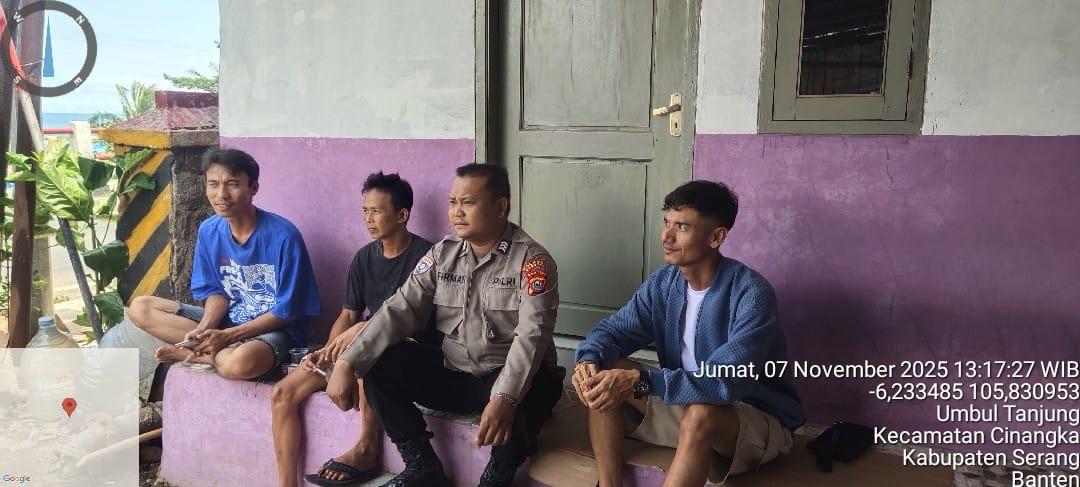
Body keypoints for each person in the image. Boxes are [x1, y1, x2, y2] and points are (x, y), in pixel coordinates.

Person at [326, 163, 564, 487]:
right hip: (456, 372)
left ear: (500, 208)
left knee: (532, 391)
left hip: (507, 374)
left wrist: (505, 397)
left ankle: (496, 477)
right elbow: (399, 308)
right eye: (453, 202)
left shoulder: (532, 261)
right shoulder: (443, 254)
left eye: (468, 202)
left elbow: (531, 338)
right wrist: (347, 361)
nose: (457, 212)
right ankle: (422, 466)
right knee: (380, 365)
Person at [573, 180, 805, 487]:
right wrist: (588, 359)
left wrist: (644, 381)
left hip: (753, 420)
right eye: (666, 223)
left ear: (716, 237)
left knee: (701, 412)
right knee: (602, 374)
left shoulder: (751, 293)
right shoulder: (662, 284)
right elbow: (611, 331)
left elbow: (725, 380)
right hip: (687, 403)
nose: (666, 237)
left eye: (682, 227)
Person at [270, 172, 438, 487]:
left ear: (402, 215)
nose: (368, 219)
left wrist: (357, 338)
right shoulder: (364, 258)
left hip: (402, 348)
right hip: (355, 342)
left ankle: (366, 447)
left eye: (377, 211)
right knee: (282, 393)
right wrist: (325, 353)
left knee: (371, 357)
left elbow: (411, 320)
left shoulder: (426, 258)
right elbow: (348, 315)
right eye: (365, 211)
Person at [129, 148, 320, 382]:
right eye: (213, 184)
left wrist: (229, 336)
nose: (221, 194)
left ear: (253, 188)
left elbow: (288, 311)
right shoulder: (209, 231)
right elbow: (216, 293)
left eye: (233, 184)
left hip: (274, 332)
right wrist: (204, 329)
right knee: (140, 308)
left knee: (239, 364)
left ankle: (203, 357)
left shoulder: (284, 237)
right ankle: (211, 349)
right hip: (228, 323)